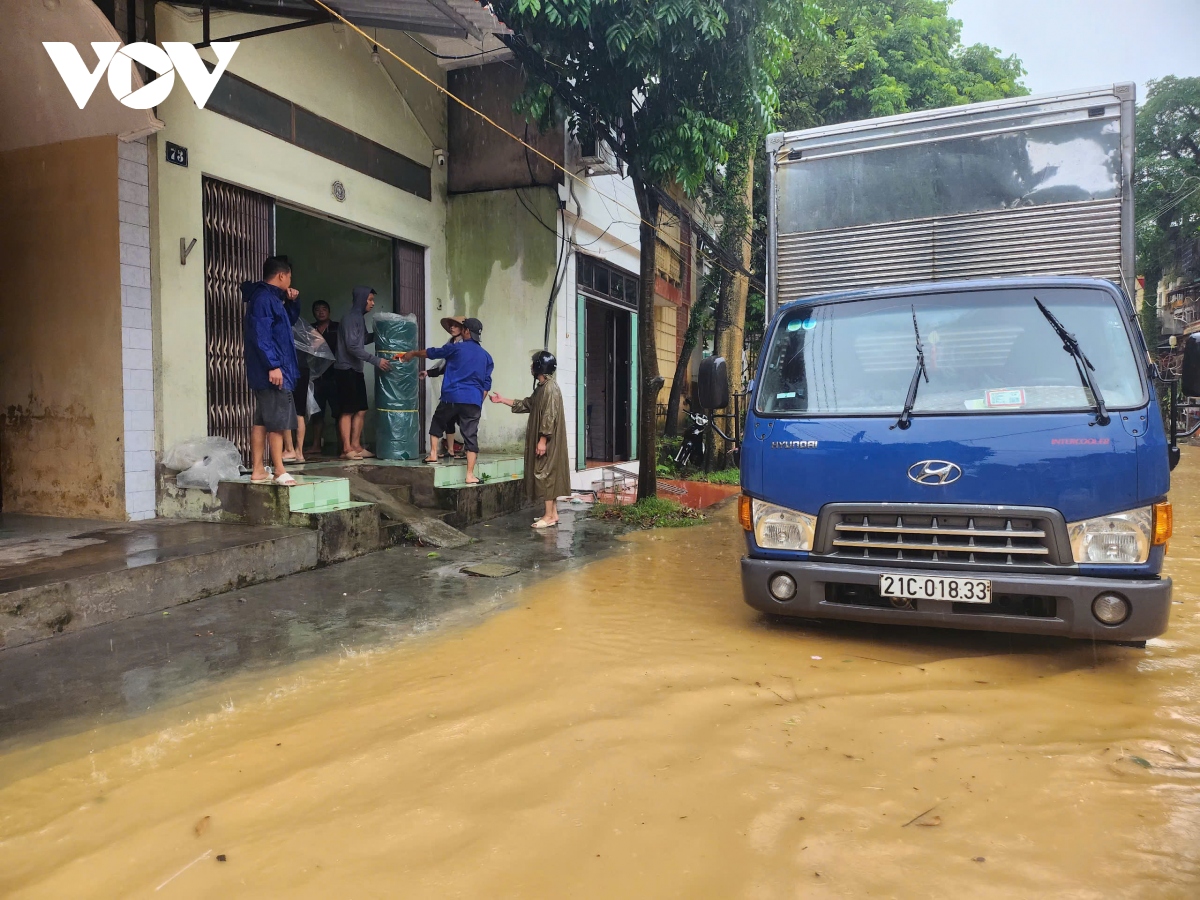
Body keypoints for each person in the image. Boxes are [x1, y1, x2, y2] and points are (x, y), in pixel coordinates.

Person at [400, 317, 492, 484]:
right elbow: (487, 384)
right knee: (470, 436)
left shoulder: (456, 349)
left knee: (438, 421)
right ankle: (470, 475)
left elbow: (432, 353)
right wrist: (478, 401)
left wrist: (413, 353)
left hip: (452, 396)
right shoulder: (486, 356)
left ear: (466, 331)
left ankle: (433, 454)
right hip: (473, 400)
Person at [489, 350, 571, 528]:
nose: (531, 367)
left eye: (533, 364)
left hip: (548, 440)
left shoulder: (550, 388)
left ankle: (549, 516)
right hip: (546, 438)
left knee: (546, 473)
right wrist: (502, 400)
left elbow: (549, 416)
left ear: (540, 367)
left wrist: (543, 440)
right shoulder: (542, 388)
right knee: (548, 472)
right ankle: (552, 513)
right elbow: (527, 404)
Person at [241, 255, 301, 486]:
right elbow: (261, 335)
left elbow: (287, 324)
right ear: (282, 276)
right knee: (277, 422)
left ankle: (258, 469)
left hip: (268, 370)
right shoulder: (265, 299)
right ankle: (279, 469)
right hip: (273, 371)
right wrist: (273, 365)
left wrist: (293, 302)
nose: (290, 282)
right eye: (289, 277)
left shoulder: (271, 299)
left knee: (262, 422)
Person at [333, 285, 392, 460]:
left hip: (355, 369)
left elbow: (363, 339)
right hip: (345, 369)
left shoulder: (359, 318)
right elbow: (352, 347)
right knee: (347, 410)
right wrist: (375, 360)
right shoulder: (351, 318)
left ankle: (356, 446)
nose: (372, 303)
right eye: (370, 299)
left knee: (361, 409)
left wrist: (380, 332)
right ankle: (346, 449)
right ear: (361, 299)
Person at [420, 315, 466, 461]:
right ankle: (450, 450)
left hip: (462, 390)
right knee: (449, 419)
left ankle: (466, 449)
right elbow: (443, 364)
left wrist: (414, 354)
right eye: (451, 325)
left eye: (455, 325)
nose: (452, 328)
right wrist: (429, 372)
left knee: (464, 421)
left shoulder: (465, 346)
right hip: (451, 390)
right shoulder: (451, 344)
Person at [306, 300, 339, 457]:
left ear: (329, 312)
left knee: (339, 413)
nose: (320, 312)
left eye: (324, 309)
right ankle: (316, 445)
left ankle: (342, 445)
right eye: (317, 309)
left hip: (335, 376)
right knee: (317, 414)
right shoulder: (309, 330)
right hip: (316, 378)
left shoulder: (337, 328)